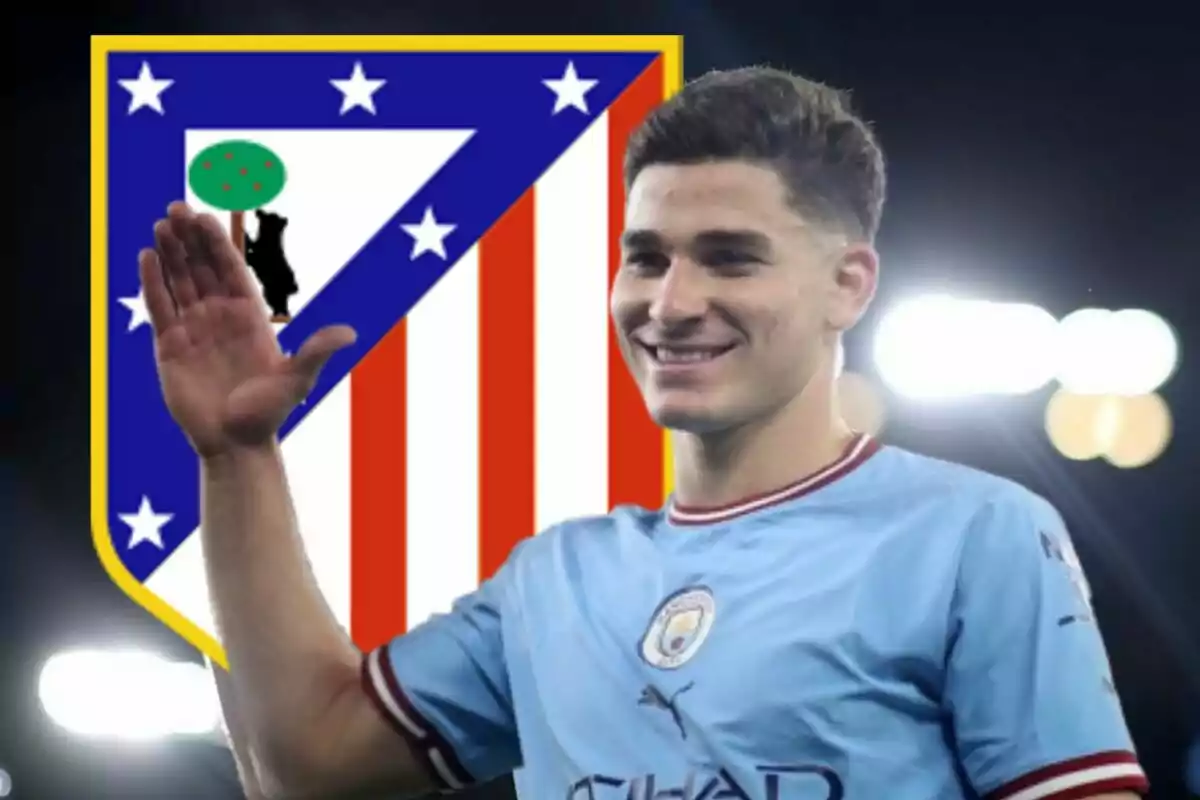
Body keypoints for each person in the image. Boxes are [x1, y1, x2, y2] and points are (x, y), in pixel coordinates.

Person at [140, 67, 1149, 799]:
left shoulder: (976, 534)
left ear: (849, 283)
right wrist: (235, 461)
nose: (671, 300)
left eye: (730, 258)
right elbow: (307, 764)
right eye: (646, 256)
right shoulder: (550, 581)